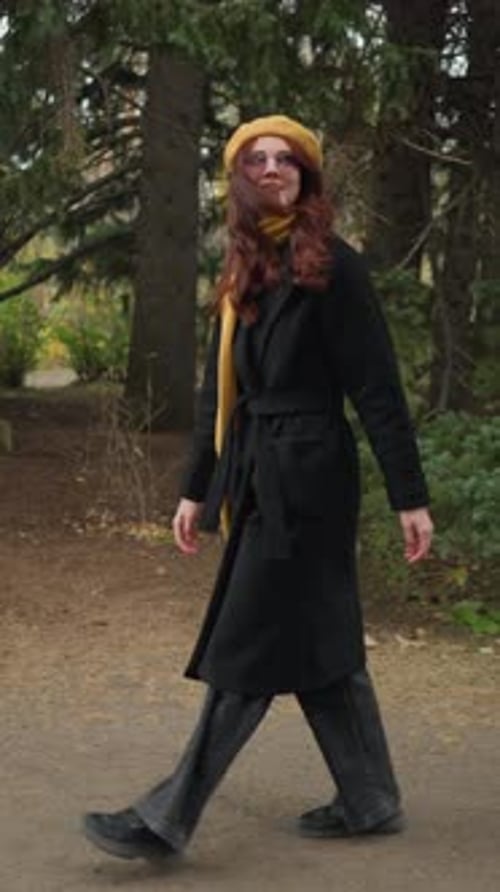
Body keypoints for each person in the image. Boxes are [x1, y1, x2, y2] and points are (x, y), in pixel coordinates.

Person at [83, 114, 434, 861]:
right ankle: (371, 798)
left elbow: (377, 389)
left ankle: (167, 817)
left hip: (308, 481)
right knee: (319, 641)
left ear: (307, 178)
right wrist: (194, 490)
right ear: (238, 180)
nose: (270, 169)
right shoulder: (249, 270)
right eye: (255, 160)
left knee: (249, 643)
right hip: (257, 472)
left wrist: (410, 496)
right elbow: (226, 390)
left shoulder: (335, 267)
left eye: (286, 160)